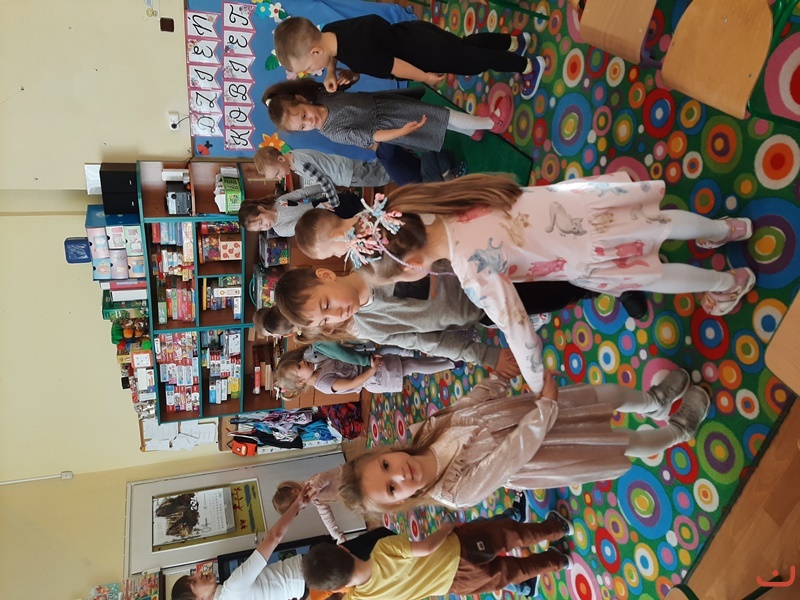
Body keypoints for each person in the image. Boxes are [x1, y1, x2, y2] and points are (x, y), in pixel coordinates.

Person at [331, 173, 755, 393]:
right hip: (580, 205)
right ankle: (726, 229)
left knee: (654, 274)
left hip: (584, 255)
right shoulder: (452, 198)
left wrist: (537, 383)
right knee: (656, 222)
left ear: (412, 265)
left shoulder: (473, 272)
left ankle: (725, 281)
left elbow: (519, 329)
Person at [337, 370, 710, 514]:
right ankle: (678, 431)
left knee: (605, 395)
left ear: (387, 452)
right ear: (399, 501)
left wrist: (499, 379)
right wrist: (545, 408)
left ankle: (654, 402)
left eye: (386, 466)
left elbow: (468, 405)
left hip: (533, 411)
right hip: (542, 448)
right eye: (391, 488)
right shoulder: (455, 492)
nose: (399, 474)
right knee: (621, 441)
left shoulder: (424, 433)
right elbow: (511, 455)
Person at [291, 201, 649, 320]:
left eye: (334, 249)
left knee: (549, 256)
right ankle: (606, 284)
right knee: (550, 292)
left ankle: (619, 256)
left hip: (483, 251)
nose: (342, 254)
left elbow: (432, 229)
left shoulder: (381, 221)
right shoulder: (367, 267)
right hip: (475, 293)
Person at [301, 514, 572, 600]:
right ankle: (556, 528)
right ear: (344, 548)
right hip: (460, 549)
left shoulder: (358, 598)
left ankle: (558, 562)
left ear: (338, 588)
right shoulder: (383, 550)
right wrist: (445, 527)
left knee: (511, 573)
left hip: (457, 584)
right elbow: (427, 547)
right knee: (509, 534)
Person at [273, 15, 545, 100]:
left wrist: (424, 77)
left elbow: (396, 67)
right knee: (464, 46)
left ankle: (528, 66)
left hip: (423, 55)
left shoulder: (358, 54)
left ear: (316, 52)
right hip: (416, 33)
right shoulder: (332, 31)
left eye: (309, 67)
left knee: (473, 61)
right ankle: (513, 42)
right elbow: (357, 53)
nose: (313, 71)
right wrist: (332, 71)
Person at [262, 79, 512, 153]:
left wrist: (344, 75)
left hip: (388, 104)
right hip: (392, 123)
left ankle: (473, 130)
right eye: (303, 126)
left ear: (302, 99)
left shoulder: (322, 95)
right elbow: (371, 136)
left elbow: (344, 80)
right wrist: (401, 132)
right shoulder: (333, 132)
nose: (309, 122)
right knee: (442, 116)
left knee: (440, 118)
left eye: (304, 115)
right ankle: (492, 122)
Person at [170, 486, 309, 600]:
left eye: (193, 575)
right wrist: (297, 503)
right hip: (306, 572)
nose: (198, 574)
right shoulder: (233, 588)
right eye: (194, 581)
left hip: (302, 590)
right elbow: (274, 537)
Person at [254, 144, 465, 190]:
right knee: (383, 171)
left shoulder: (299, 163)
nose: (280, 177)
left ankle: (411, 159)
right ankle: (411, 159)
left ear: (280, 159)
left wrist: (332, 201)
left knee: (385, 174)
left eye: (277, 173)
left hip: (348, 174)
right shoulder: (295, 158)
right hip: (347, 169)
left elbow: (324, 182)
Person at [275, 346, 453, 397]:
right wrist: (373, 368)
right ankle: (449, 363)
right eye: (299, 367)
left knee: (410, 363)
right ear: (300, 381)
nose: (302, 362)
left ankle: (446, 360)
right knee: (412, 366)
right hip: (375, 377)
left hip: (373, 366)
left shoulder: (319, 365)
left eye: (298, 362)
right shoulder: (323, 384)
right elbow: (353, 383)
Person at [272, 466, 349, 544]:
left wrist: (314, 489)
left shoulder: (311, 484)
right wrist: (336, 535)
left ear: (295, 491)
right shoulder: (315, 499)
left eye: (299, 506)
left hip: (351, 474)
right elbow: (326, 516)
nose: (303, 509)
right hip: (352, 490)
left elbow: (326, 476)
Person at [237, 189, 362, 235]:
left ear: (261, 209)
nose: (265, 226)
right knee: (354, 218)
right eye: (260, 229)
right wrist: (322, 207)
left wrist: (325, 186)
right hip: (323, 219)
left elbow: (302, 193)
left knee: (351, 200)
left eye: (261, 222)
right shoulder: (281, 230)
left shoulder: (280, 202)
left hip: (320, 204)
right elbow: (304, 222)